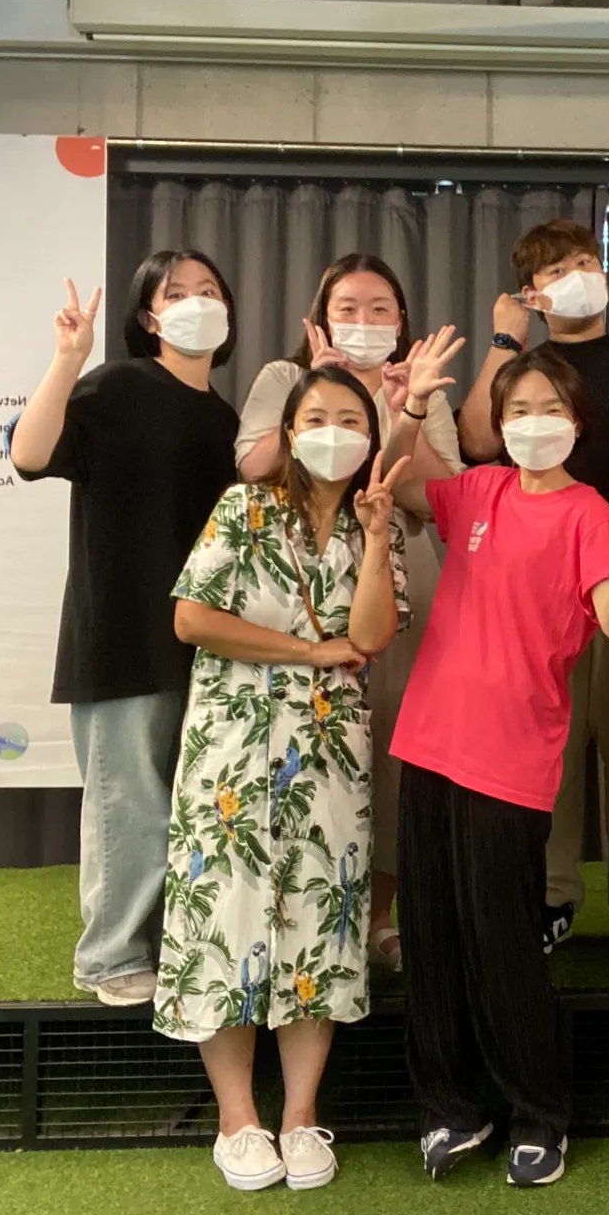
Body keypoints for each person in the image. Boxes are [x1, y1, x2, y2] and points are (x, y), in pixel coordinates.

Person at [388, 342, 609, 1189]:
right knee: (432, 937)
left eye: (550, 410)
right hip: (429, 741)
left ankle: (538, 1111)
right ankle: (452, 1107)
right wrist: (410, 407)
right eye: (518, 410)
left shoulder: (589, 514)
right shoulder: (479, 490)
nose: (533, 424)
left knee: (503, 944)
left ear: (577, 424)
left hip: (511, 756)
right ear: (498, 423)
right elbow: (400, 481)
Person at [154, 365, 408, 1192]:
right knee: (224, 918)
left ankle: (300, 1114)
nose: (334, 432)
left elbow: (371, 636)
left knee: (319, 920)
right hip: (231, 752)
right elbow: (193, 618)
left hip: (330, 754)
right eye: (317, 417)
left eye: (351, 420)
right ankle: (238, 1119)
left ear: (372, 437)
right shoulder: (244, 508)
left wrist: (377, 538)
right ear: (290, 433)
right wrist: (305, 651)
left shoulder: (378, 526)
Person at [458, 217, 609, 960]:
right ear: (533, 291)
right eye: (558, 270)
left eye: (587, 262)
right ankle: (552, 893)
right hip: (538, 600)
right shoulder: (527, 368)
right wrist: (505, 338)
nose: (579, 276)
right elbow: (475, 441)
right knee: (549, 756)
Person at [9, 253, 240, 1007]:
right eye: (178, 294)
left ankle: (171, 942)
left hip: (203, 640)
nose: (198, 303)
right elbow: (29, 454)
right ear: (149, 317)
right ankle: (110, 956)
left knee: (188, 799)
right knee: (129, 800)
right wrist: (68, 359)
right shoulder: (116, 386)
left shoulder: (226, 418)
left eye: (209, 291)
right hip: (121, 633)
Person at [235, 253, 464, 974]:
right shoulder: (283, 376)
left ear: (402, 321)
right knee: (300, 743)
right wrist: (318, 386)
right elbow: (254, 468)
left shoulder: (420, 386)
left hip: (397, 574)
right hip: (295, 579)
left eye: (379, 309)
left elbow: (435, 498)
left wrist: (404, 407)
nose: (364, 321)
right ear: (322, 316)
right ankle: (291, 912)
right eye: (348, 308)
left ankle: (376, 915)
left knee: (392, 747)